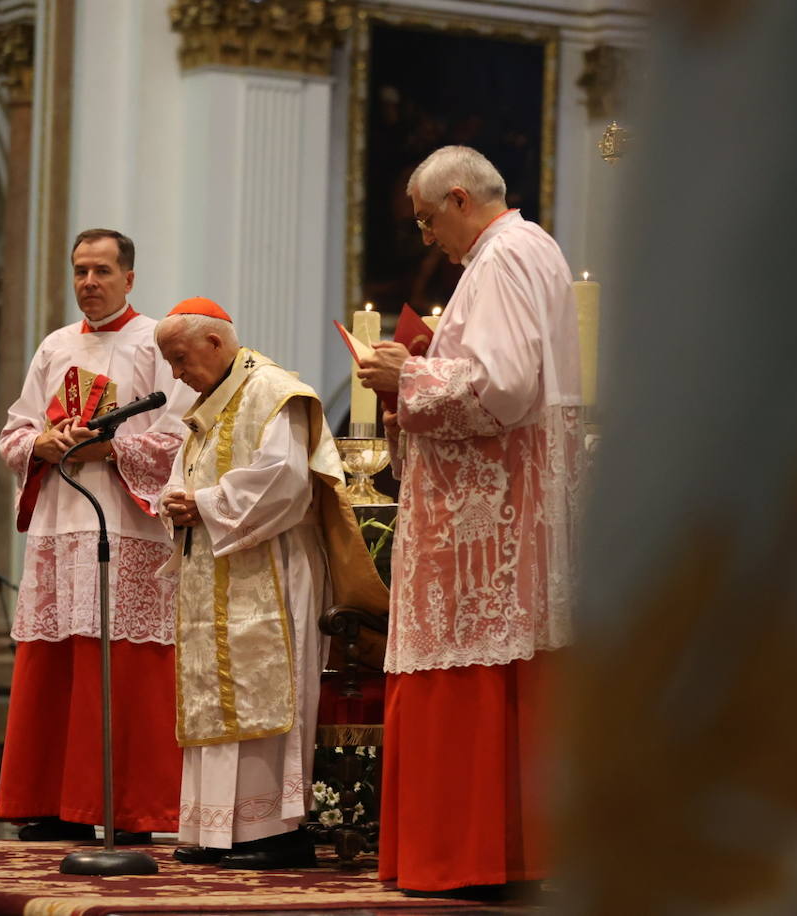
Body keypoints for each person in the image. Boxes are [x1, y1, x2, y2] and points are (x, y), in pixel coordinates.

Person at [356, 145, 584, 897]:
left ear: (459, 199)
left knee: (470, 672)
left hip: (482, 524)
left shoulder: (502, 257)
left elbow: (506, 387)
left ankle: (466, 857)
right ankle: (505, 857)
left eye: (427, 220)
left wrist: (405, 376)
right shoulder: (527, 249)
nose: (426, 238)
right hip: (497, 513)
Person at [155, 297, 387, 870]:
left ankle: (270, 832)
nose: (176, 375)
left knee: (265, 694)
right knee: (215, 698)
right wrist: (177, 503)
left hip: (272, 569)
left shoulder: (274, 392)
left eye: (180, 358)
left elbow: (284, 482)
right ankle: (218, 832)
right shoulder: (206, 407)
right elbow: (180, 480)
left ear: (214, 342)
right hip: (216, 566)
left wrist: (203, 504)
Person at [0, 228, 188, 844]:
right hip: (60, 523)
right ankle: (50, 803)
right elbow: (13, 432)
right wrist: (40, 443)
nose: (89, 283)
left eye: (102, 271)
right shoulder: (54, 346)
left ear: (129, 277)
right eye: (80, 271)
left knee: (123, 666)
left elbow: (181, 436)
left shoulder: (155, 343)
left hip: (125, 527)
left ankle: (126, 809)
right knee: (56, 663)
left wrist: (108, 447)